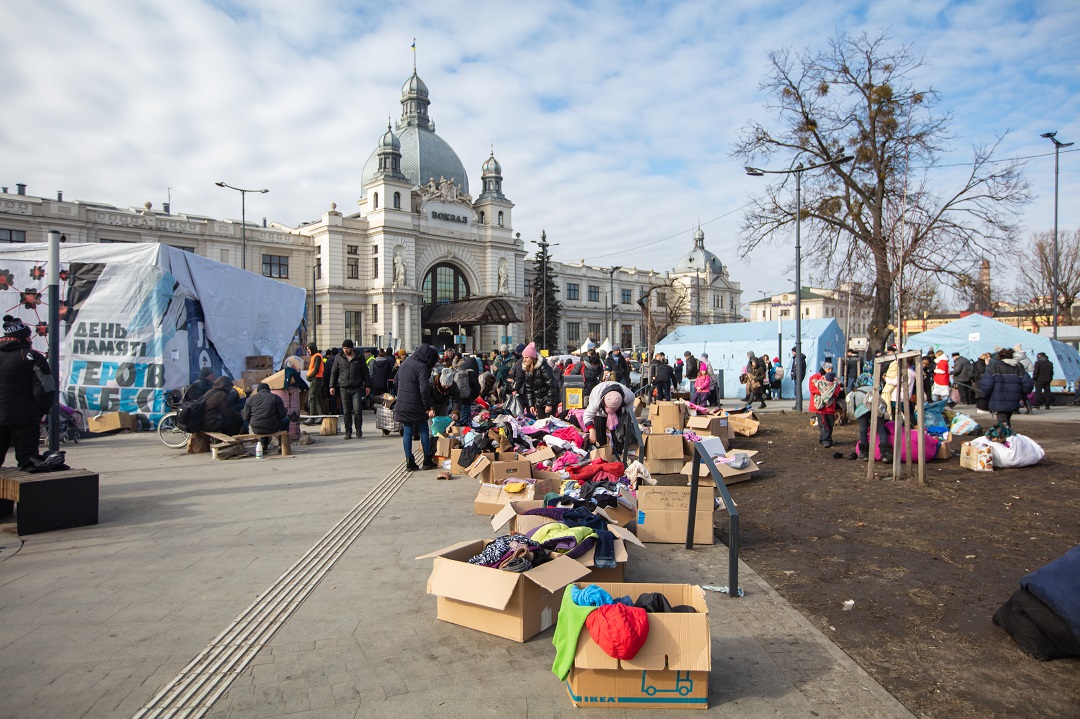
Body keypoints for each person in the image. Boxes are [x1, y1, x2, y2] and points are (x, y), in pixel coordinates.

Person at [0, 315, 55, 470]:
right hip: (25, 419)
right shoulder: (32, 357)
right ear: (25, 337)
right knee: (28, 462)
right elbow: (46, 388)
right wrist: (42, 410)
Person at [394, 343, 439, 471]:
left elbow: (396, 382)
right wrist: (427, 406)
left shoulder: (404, 363)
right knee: (424, 430)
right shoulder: (422, 366)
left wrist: (402, 395)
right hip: (417, 403)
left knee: (407, 430)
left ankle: (409, 462)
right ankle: (427, 460)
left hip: (403, 403)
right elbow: (424, 389)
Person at [978, 347, 1034, 428]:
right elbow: (1028, 383)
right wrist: (1020, 392)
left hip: (998, 400)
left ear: (999, 357)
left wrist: (988, 395)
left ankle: (1005, 437)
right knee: (1006, 421)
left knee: (1002, 423)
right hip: (1013, 399)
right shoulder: (1018, 368)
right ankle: (1008, 437)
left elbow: (986, 385)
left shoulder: (994, 368)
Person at [329, 339, 371, 439]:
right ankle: (348, 430)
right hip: (344, 387)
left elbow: (365, 372)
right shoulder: (339, 357)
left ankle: (358, 429)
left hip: (356, 387)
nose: (345, 350)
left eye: (346, 348)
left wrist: (367, 385)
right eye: (343, 348)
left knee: (357, 409)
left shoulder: (359, 357)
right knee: (346, 411)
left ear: (351, 348)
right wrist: (331, 386)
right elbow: (334, 372)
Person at [846, 372, 892, 463]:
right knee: (881, 428)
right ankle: (885, 454)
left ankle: (864, 453)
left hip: (861, 411)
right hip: (875, 408)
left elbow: (852, 408)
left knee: (863, 429)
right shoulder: (874, 389)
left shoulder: (855, 392)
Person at [582, 379, 636, 453]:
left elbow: (631, 404)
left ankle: (619, 453)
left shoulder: (628, 395)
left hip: (619, 409)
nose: (611, 411)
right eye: (610, 409)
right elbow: (587, 415)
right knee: (600, 433)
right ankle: (602, 453)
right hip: (600, 411)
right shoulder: (596, 401)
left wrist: (625, 413)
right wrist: (591, 430)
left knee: (618, 432)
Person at [514, 342, 557, 418]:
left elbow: (551, 386)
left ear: (532, 358)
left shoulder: (544, 368)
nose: (524, 360)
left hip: (549, 399)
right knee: (540, 423)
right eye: (523, 357)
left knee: (548, 424)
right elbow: (529, 389)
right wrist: (531, 404)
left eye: (526, 357)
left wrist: (549, 404)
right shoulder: (527, 369)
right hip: (539, 401)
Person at [242, 383, 288, 451]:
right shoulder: (275, 397)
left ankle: (264, 445)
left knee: (262, 422)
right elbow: (282, 415)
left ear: (258, 391)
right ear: (269, 390)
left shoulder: (249, 399)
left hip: (256, 429)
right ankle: (281, 445)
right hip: (273, 427)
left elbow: (245, 417)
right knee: (286, 420)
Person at [809, 369, 841, 447]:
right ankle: (826, 440)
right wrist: (827, 392)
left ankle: (823, 438)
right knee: (823, 423)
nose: (830, 370)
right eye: (829, 369)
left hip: (829, 407)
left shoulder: (834, 381)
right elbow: (812, 389)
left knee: (830, 423)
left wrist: (824, 392)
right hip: (821, 407)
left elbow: (837, 391)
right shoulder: (815, 378)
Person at [304, 343, 326, 425]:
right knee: (317, 399)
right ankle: (321, 416)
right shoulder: (317, 356)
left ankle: (312, 418)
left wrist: (310, 376)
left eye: (309, 349)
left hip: (316, 379)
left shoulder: (317, 356)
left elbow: (316, 369)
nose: (308, 351)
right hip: (317, 379)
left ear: (312, 348)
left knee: (312, 398)